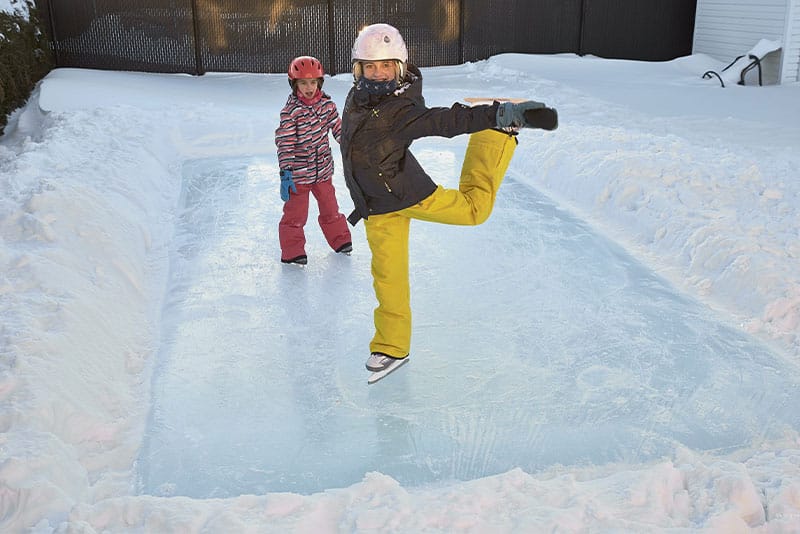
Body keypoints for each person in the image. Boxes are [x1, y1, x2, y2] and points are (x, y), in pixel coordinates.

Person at [340, 23, 558, 373]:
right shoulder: (358, 98)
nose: (376, 73)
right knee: (388, 280)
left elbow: (448, 121)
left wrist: (501, 113)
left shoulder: (403, 111)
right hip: (377, 207)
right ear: (358, 69)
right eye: (369, 66)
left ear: (398, 68)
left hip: (408, 195)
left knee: (474, 210)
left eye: (384, 66)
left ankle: (498, 135)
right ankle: (392, 347)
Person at [275, 55, 352, 265]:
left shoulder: (327, 105)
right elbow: (285, 142)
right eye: (303, 83)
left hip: (323, 172)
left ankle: (341, 240)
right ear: (294, 85)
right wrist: (286, 171)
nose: (309, 87)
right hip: (299, 175)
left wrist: (350, 145)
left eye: (312, 82)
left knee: (330, 208)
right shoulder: (292, 112)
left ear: (319, 82)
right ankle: (292, 251)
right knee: (295, 215)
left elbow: (338, 129)